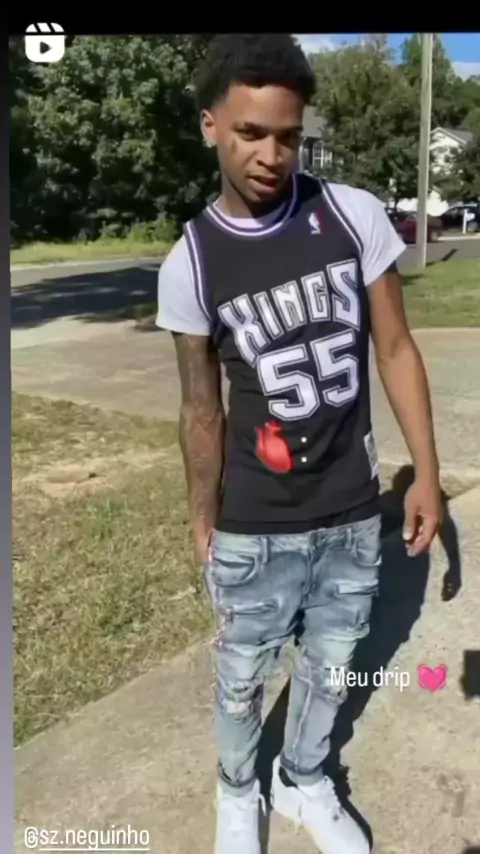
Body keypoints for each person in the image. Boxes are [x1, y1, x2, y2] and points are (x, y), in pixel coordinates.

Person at [156, 33, 443, 854]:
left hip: (351, 510)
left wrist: (426, 474)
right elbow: (200, 410)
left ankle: (304, 778)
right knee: (241, 679)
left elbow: (396, 348)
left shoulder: (351, 214)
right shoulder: (191, 263)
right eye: (251, 133)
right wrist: (201, 521)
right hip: (254, 521)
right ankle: (236, 794)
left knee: (332, 666)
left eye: (287, 136)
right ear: (212, 126)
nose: (271, 155)